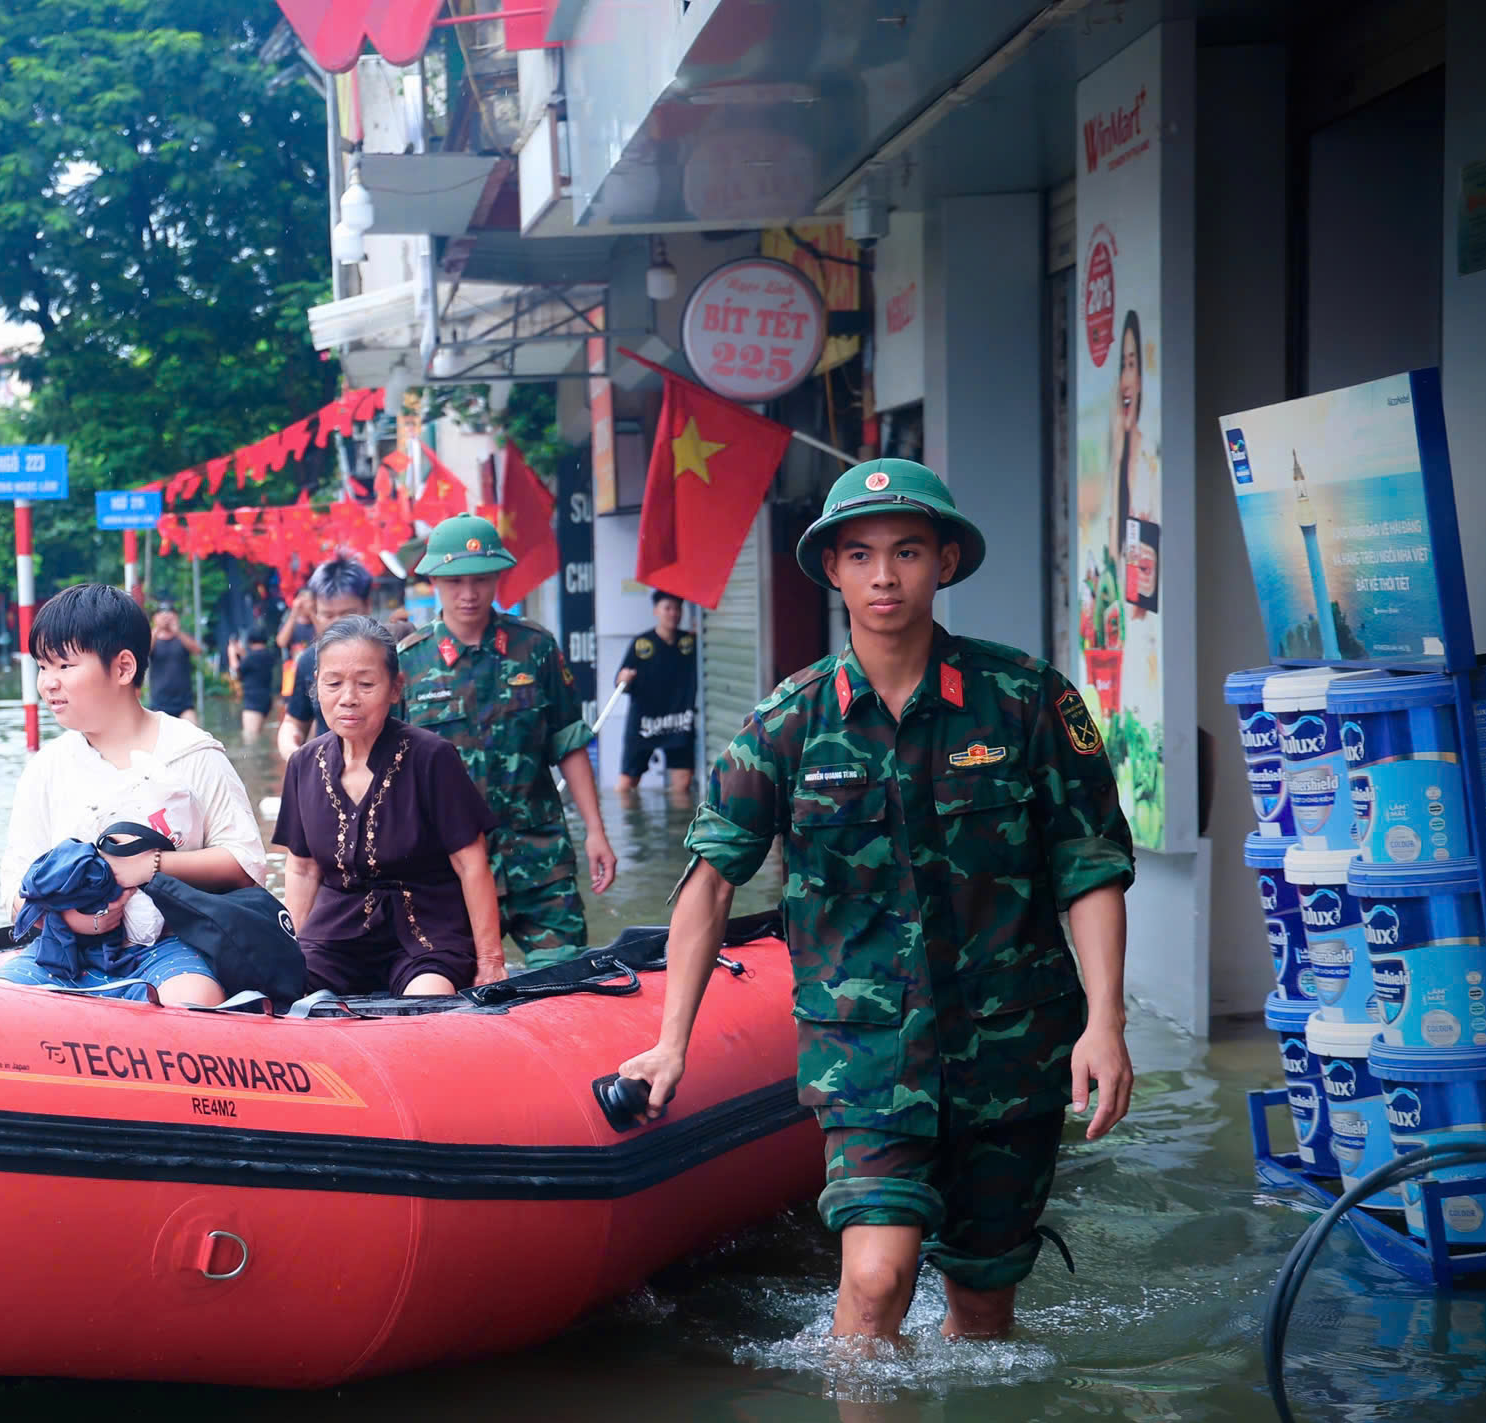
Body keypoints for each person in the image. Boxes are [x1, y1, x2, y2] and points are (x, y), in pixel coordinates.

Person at [616, 458, 1135, 1345]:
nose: (884, 577)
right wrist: (671, 1043)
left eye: (906, 552)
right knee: (873, 1280)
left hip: (1010, 1045)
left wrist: (1106, 1021)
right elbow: (709, 883)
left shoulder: (1027, 701)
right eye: (860, 555)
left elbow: (1089, 864)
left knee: (983, 1306)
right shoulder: (787, 722)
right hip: (863, 1052)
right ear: (832, 570)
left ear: (945, 562)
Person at [0, 584, 267, 1005]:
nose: (48, 684)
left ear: (123, 668)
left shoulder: (192, 754)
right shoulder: (46, 767)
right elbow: (15, 883)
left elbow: (246, 865)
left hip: (168, 947)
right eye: (43, 667)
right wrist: (74, 918)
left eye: (65, 665)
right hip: (63, 951)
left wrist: (153, 865)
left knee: (194, 1001)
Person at [399, 512, 616, 968]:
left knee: (570, 986)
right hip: (450, 871)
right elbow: (386, 774)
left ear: (498, 577)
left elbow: (569, 743)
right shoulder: (407, 665)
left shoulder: (535, 648)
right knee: (453, 999)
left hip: (539, 861)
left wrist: (596, 831)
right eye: (455, 581)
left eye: (480, 579)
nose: (468, 593)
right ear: (434, 581)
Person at [278, 617, 505, 995]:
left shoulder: (432, 757)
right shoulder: (304, 763)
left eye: (366, 684)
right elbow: (302, 869)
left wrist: (491, 961)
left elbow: (471, 864)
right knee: (288, 991)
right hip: (334, 937)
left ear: (396, 688)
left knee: (428, 999)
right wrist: (292, 952)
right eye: (333, 683)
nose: (348, 697)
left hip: (426, 934)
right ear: (315, 686)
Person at [273, 553, 375, 759]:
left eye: (348, 613)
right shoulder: (309, 659)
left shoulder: (393, 654)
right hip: (328, 773)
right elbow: (294, 721)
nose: (338, 623)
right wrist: (294, 752)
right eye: (328, 615)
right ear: (316, 612)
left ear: (367, 607)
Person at [616, 590, 698, 804]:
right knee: (626, 784)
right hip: (645, 722)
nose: (673, 613)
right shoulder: (642, 644)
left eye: (677, 609)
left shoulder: (689, 643)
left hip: (679, 721)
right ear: (656, 611)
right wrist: (623, 679)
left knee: (682, 785)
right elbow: (620, 683)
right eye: (667, 608)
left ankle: (679, 832)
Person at [1110, 310, 1160, 614]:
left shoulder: (1148, 464)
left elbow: (1143, 596)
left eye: (1132, 365)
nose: (1126, 380)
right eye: (1122, 367)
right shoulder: (1117, 459)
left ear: (1141, 378)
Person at [144, 607, 201, 723]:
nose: (166, 618)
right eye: (161, 615)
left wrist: (177, 631)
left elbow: (197, 650)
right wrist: (158, 628)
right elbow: (144, 652)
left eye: (170, 614)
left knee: (194, 733)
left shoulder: (182, 637)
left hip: (184, 703)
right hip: (159, 702)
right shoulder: (152, 638)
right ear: (155, 618)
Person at [234, 624, 279, 744]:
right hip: (266, 700)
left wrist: (231, 653)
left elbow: (237, 673)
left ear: (250, 641)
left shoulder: (250, 658)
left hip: (253, 702)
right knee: (259, 735)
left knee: (250, 739)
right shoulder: (269, 656)